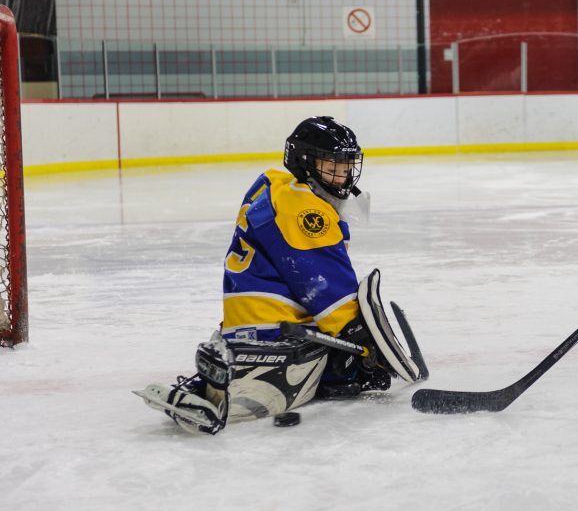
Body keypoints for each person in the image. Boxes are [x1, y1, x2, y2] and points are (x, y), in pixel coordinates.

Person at [136, 117, 424, 434]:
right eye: (332, 165)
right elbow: (326, 290)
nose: (342, 176)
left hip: (244, 321)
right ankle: (229, 387)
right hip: (277, 331)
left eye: (346, 166)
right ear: (304, 162)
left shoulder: (276, 187)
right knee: (338, 370)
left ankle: (222, 368)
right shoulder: (305, 210)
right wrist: (367, 350)